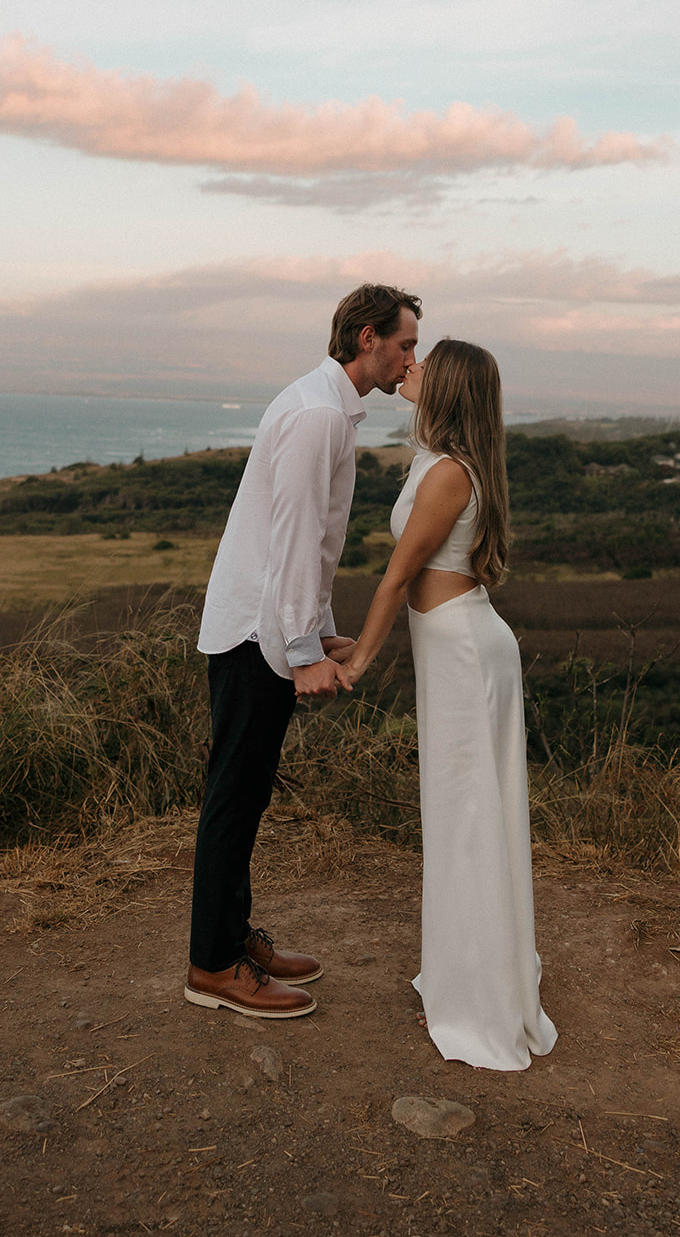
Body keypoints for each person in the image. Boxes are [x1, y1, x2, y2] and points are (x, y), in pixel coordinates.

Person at [185, 283, 422, 1019]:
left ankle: (231, 938)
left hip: (266, 627)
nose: (411, 359)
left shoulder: (324, 406)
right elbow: (291, 540)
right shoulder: (320, 415)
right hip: (255, 633)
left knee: (248, 792)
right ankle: (213, 967)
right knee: (234, 795)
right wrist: (299, 649)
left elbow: (313, 545)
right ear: (366, 339)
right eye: (405, 344)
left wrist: (317, 630)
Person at [343, 339, 558, 1070]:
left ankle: (479, 998)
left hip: (464, 655)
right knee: (468, 815)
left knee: (469, 818)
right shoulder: (441, 462)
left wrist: (360, 658)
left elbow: (397, 576)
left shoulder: (445, 474)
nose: (411, 366)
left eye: (424, 362)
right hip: (461, 646)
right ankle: (472, 975)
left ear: (448, 389)